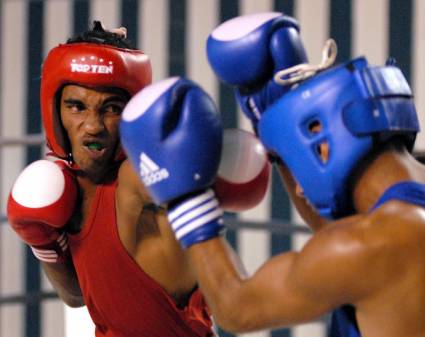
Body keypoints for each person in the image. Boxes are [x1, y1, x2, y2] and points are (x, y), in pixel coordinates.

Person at [119, 15, 425, 337]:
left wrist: (186, 197)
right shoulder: (394, 228)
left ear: (321, 144)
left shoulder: (372, 246)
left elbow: (238, 309)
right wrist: (279, 133)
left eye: (292, 154)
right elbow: (344, 240)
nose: (301, 191)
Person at [7, 21, 216, 337]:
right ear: (55, 111)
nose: (93, 126)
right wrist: (45, 244)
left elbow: (180, 177)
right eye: (76, 106)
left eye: (112, 108)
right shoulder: (63, 189)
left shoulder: (134, 178)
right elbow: (76, 296)